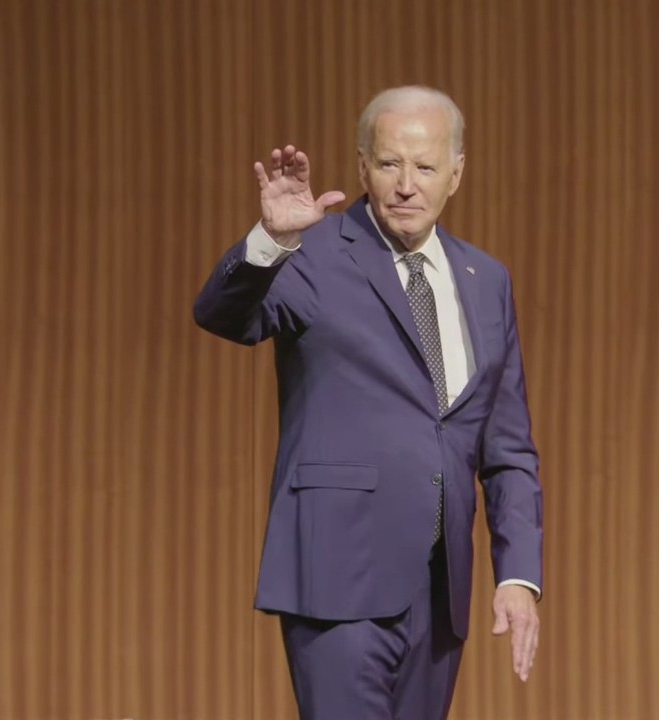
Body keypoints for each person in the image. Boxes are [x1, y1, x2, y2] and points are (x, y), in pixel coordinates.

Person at [193, 85, 543, 720]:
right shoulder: (312, 253)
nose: (406, 184)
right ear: (361, 167)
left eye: (426, 166)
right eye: (389, 164)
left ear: (456, 173)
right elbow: (223, 316)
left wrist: (517, 575)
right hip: (338, 574)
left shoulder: (485, 279)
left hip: (439, 591)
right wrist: (269, 242)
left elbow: (507, 445)